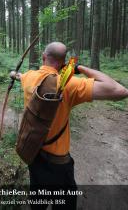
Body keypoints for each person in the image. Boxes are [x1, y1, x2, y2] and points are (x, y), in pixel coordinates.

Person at [10, 42, 128, 210]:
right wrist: (80, 68)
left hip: (33, 152)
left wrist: (13, 74)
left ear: (44, 57)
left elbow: (20, 76)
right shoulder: (70, 85)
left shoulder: (29, 77)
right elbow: (120, 91)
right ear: (64, 62)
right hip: (58, 164)